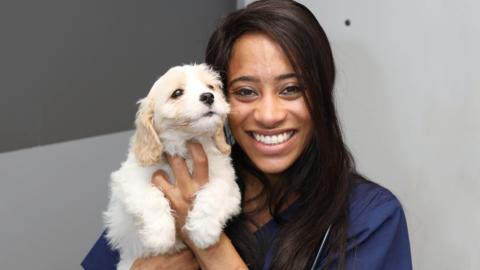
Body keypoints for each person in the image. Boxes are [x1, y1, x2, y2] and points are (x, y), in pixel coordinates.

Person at [81, 0, 412, 269]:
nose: (269, 116)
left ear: (321, 95)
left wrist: (206, 244)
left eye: (291, 89)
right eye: (246, 92)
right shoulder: (172, 181)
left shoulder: (371, 218)